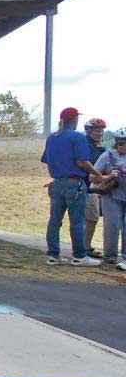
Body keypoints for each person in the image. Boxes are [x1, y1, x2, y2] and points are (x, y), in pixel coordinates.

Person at [40, 107, 103, 266]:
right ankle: (80, 256)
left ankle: (54, 254)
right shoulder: (77, 137)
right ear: (74, 120)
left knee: (55, 221)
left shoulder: (52, 138)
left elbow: (48, 161)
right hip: (74, 182)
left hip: (57, 182)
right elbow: (82, 161)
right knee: (77, 221)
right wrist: (97, 173)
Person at [93, 129, 126, 270]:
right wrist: (110, 176)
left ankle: (125, 258)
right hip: (112, 196)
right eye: (120, 142)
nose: (122, 145)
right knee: (112, 226)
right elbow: (92, 176)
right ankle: (110, 257)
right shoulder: (107, 156)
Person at [83, 118, 107, 257]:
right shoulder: (88, 147)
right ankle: (85, 248)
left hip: (89, 187)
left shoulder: (99, 149)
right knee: (91, 219)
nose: (100, 133)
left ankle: (84, 247)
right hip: (89, 187)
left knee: (86, 218)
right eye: (97, 130)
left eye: (101, 131)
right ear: (88, 131)